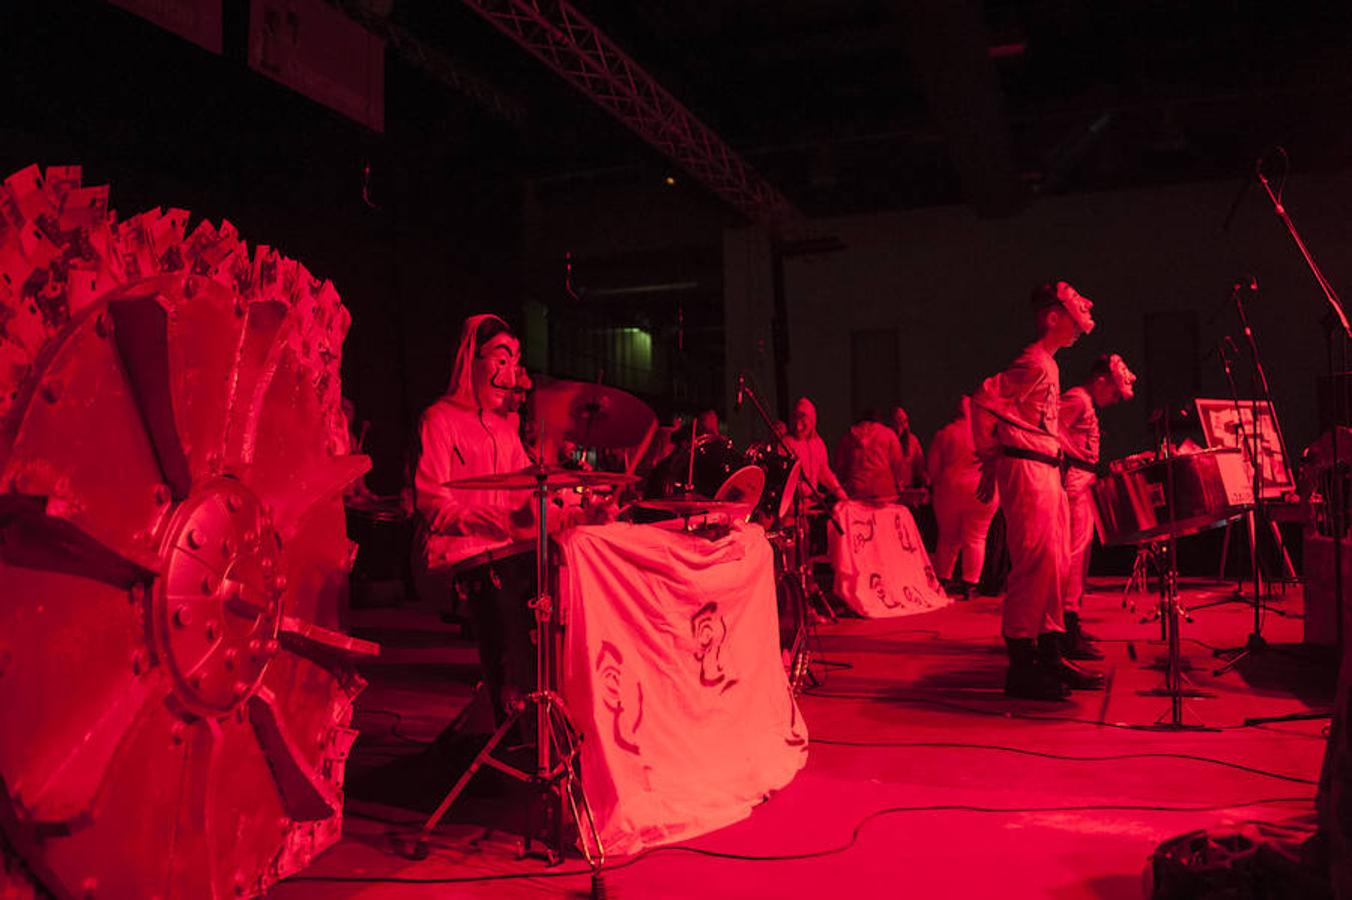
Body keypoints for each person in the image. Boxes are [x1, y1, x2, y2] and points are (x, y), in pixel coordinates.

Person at [971, 281, 1103, 700]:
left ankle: (1049, 649)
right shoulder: (1034, 363)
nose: (1079, 326)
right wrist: (990, 456)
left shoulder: (1050, 365)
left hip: (1045, 468)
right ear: (1052, 317)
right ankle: (1022, 661)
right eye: (1071, 316)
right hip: (1027, 469)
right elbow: (985, 399)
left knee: (1054, 561)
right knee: (1034, 560)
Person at [412, 314, 538, 720]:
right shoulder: (440, 419)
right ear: (472, 359)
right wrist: (491, 520)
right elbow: (432, 503)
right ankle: (512, 711)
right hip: (459, 554)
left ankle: (534, 707)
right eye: (501, 358)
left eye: (515, 360)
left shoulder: (506, 430)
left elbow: (529, 493)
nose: (509, 372)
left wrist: (576, 511)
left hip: (505, 551)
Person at [1059, 353, 1136, 659]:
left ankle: (1071, 620)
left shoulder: (1084, 403)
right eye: (1114, 392)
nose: (1115, 399)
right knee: (1074, 557)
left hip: (1083, 480)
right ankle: (1065, 625)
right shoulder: (1077, 399)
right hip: (1075, 482)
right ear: (1101, 380)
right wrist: (1072, 452)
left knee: (1081, 556)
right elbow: (1048, 427)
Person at [928, 396, 999, 600]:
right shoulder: (987, 433)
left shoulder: (945, 433)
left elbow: (933, 468)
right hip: (982, 490)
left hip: (951, 489)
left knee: (948, 538)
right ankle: (970, 584)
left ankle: (944, 579)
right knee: (976, 538)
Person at [783, 396, 848, 504]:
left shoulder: (818, 444)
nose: (798, 426)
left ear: (812, 421)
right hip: (792, 505)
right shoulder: (786, 444)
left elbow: (824, 473)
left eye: (803, 420)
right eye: (796, 419)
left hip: (811, 502)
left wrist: (842, 496)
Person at [834, 408, 907, 501]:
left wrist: (844, 486)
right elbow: (897, 463)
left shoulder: (848, 436)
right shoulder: (888, 434)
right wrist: (899, 483)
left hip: (856, 490)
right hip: (884, 490)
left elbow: (840, 465)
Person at [891, 406, 928, 493]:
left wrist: (924, 479)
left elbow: (920, 466)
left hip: (907, 489)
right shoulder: (886, 439)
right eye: (896, 421)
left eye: (902, 421)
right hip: (891, 490)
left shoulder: (912, 441)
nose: (899, 425)